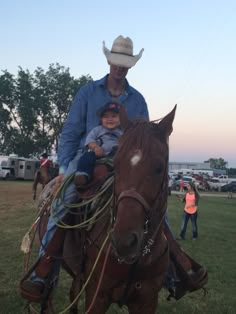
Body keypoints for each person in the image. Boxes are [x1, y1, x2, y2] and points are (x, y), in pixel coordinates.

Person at [20, 35, 207, 303]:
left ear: (130, 66)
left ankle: (173, 268)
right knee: (63, 202)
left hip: (124, 164)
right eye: (115, 63)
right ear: (109, 61)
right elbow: (72, 131)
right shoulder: (88, 92)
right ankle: (44, 268)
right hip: (87, 159)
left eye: (124, 64)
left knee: (157, 209)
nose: (119, 68)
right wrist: (64, 168)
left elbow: (146, 139)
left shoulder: (138, 100)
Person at [74, 102, 122, 186]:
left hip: (117, 156)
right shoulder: (97, 130)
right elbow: (90, 141)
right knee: (86, 157)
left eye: (114, 116)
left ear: (121, 119)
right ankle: (82, 174)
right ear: (101, 119)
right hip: (99, 154)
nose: (110, 119)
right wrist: (96, 148)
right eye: (106, 116)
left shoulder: (122, 132)